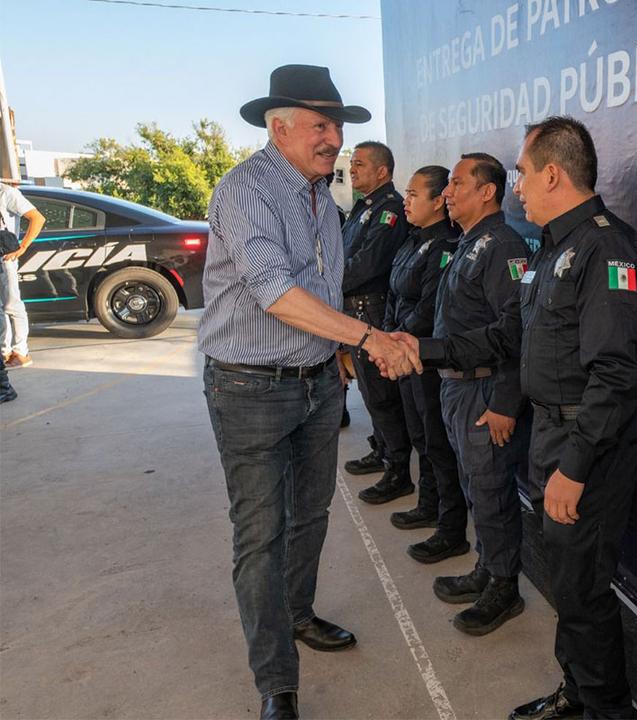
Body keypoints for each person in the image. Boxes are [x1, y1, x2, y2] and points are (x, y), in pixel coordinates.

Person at [391, 117, 637, 718]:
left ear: (554, 174)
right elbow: (505, 336)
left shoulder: (606, 247)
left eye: (523, 173)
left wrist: (576, 465)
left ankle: (605, 708)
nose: (517, 187)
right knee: (567, 582)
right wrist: (419, 349)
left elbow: (615, 375)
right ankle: (579, 693)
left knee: (584, 588)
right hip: (554, 435)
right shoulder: (553, 247)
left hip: (586, 445)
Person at [197, 64, 418, 720]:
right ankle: (277, 682)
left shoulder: (324, 194)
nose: (334, 139)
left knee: (311, 516)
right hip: (249, 390)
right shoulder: (246, 191)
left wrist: (335, 352)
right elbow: (274, 291)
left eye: (339, 127)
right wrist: (368, 338)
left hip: (318, 385)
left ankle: (295, 613)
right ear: (280, 125)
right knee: (260, 534)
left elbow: (321, 288)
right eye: (322, 126)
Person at [406, 152, 534, 637]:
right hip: (457, 387)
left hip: (486, 390)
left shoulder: (503, 246)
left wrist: (505, 402)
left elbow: (516, 331)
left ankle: (504, 588)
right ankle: (486, 566)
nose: (447, 193)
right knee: (474, 486)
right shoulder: (470, 241)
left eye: (458, 183)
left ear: (487, 191)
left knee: (493, 491)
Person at [383, 165, 469, 549]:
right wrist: (386, 336)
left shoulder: (445, 247)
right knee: (420, 436)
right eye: (407, 192)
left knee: (437, 442)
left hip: (426, 358)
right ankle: (427, 503)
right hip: (404, 352)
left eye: (415, 194)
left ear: (438, 202)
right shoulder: (411, 240)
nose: (407, 201)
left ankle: (450, 528)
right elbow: (394, 294)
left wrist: (398, 342)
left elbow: (430, 308)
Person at [339, 141, 419, 504]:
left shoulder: (389, 211)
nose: (352, 170)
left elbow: (367, 265)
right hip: (355, 309)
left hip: (372, 309)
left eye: (359, 164)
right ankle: (382, 448)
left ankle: (398, 471)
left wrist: (327, 285)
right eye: (352, 164)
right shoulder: (363, 208)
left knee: (384, 397)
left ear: (382, 172)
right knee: (371, 395)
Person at [1, 179, 45, 368]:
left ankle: (20, 352)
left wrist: (23, 247)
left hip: (5, 258)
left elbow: (38, 218)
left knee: (12, 305)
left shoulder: (6, 193)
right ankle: (5, 352)